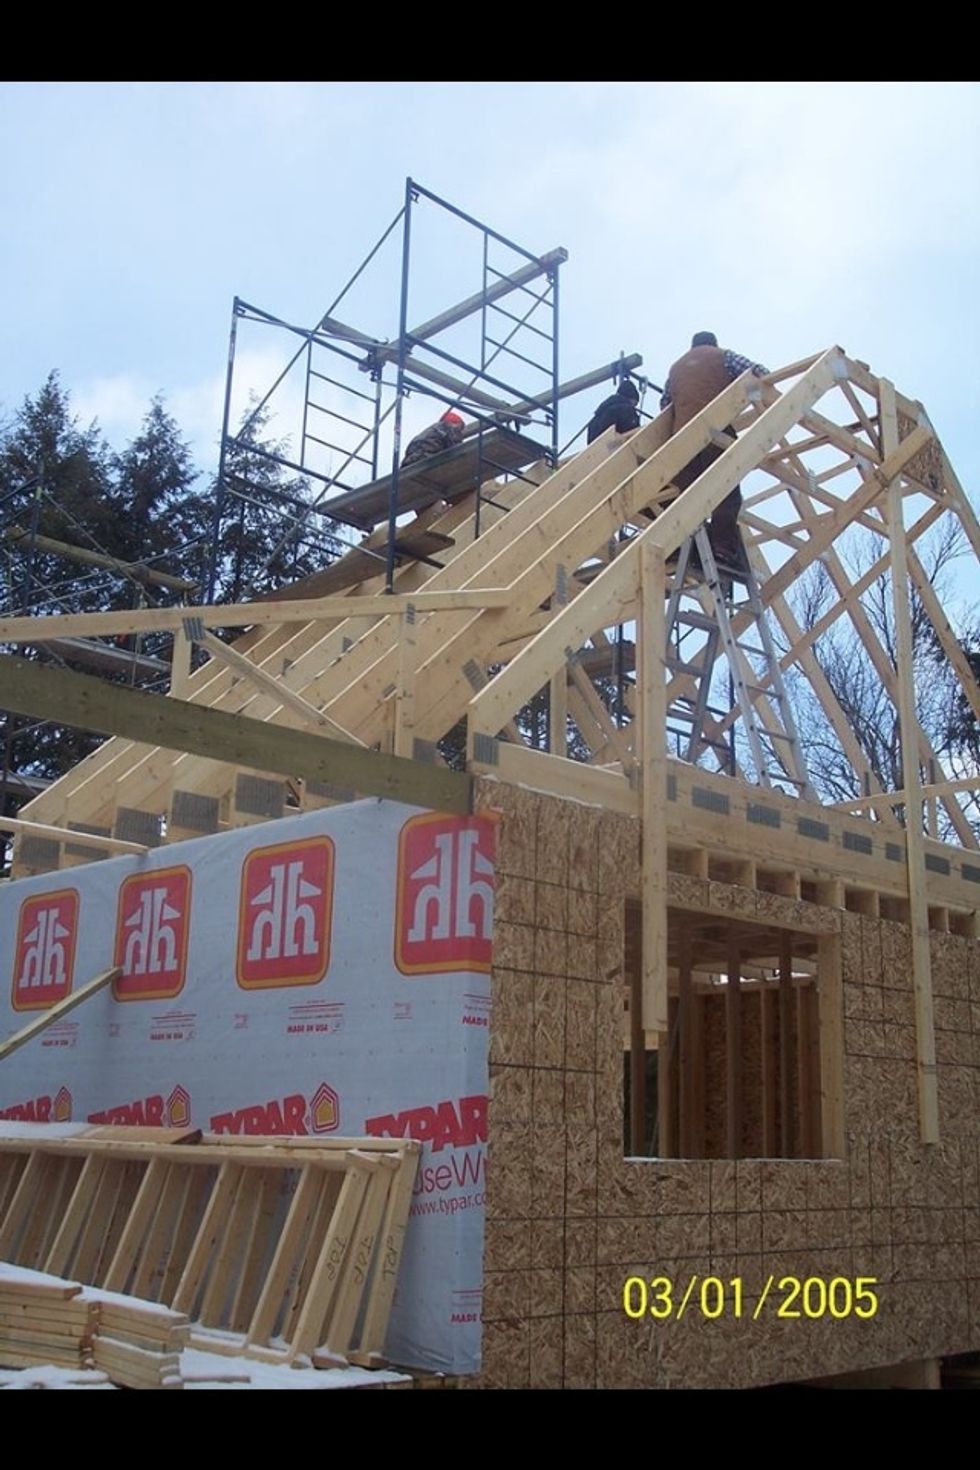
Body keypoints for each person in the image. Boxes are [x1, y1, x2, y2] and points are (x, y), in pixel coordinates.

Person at [660, 332, 768, 566]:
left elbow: (664, 406)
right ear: (713, 344)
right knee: (726, 491)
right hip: (714, 432)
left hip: (682, 441)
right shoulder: (722, 357)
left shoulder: (676, 369)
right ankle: (722, 547)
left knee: (685, 496)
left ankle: (676, 547)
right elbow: (757, 372)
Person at [401, 409, 466, 468]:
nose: (460, 431)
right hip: (425, 458)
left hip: (410, 460)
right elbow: (456, 447)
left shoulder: (433, 430)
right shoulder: (446, 428)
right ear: (453, 422)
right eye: (459, 427)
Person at [586, 380, 640, 444]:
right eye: (634, 404)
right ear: (631, 399)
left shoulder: (596, 417)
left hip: (597, 451)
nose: (634, 407)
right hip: (616, 448)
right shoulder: (626, 409)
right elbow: (635, 434)